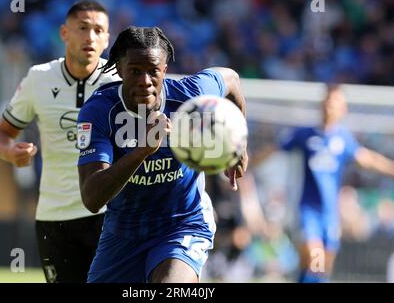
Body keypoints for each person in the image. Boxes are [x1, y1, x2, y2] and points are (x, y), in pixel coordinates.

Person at [77, 26, 248, 283]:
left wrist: (239, 143)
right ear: (120, 70)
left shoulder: (191, 96)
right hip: (124, 231)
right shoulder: (99, 112)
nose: (145, 80)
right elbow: (92, 197)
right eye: (135, 71)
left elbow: (232, 79)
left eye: (153, 71)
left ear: (164, 70)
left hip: (183, 223)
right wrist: (142, 150)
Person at [0, 0, 120, 283]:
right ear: (64, 33)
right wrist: (11, 153)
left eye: (99, 30)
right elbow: (1, 135)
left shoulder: (119, 81)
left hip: (109, 215)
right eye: (83, 28)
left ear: (108, 38)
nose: (91, 37)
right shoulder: (39, 79)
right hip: (55, 217)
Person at [252, 84, 394, 283]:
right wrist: (247, 163)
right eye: (327, 102)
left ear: (343, 110)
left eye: (335, 103)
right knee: (315, 258)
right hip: (307, 211)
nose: (329, 107)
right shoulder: (305, 134)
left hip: (330, 214)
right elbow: (273, 149)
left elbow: (369, 159)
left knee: (319, 271)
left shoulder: (343, 139)